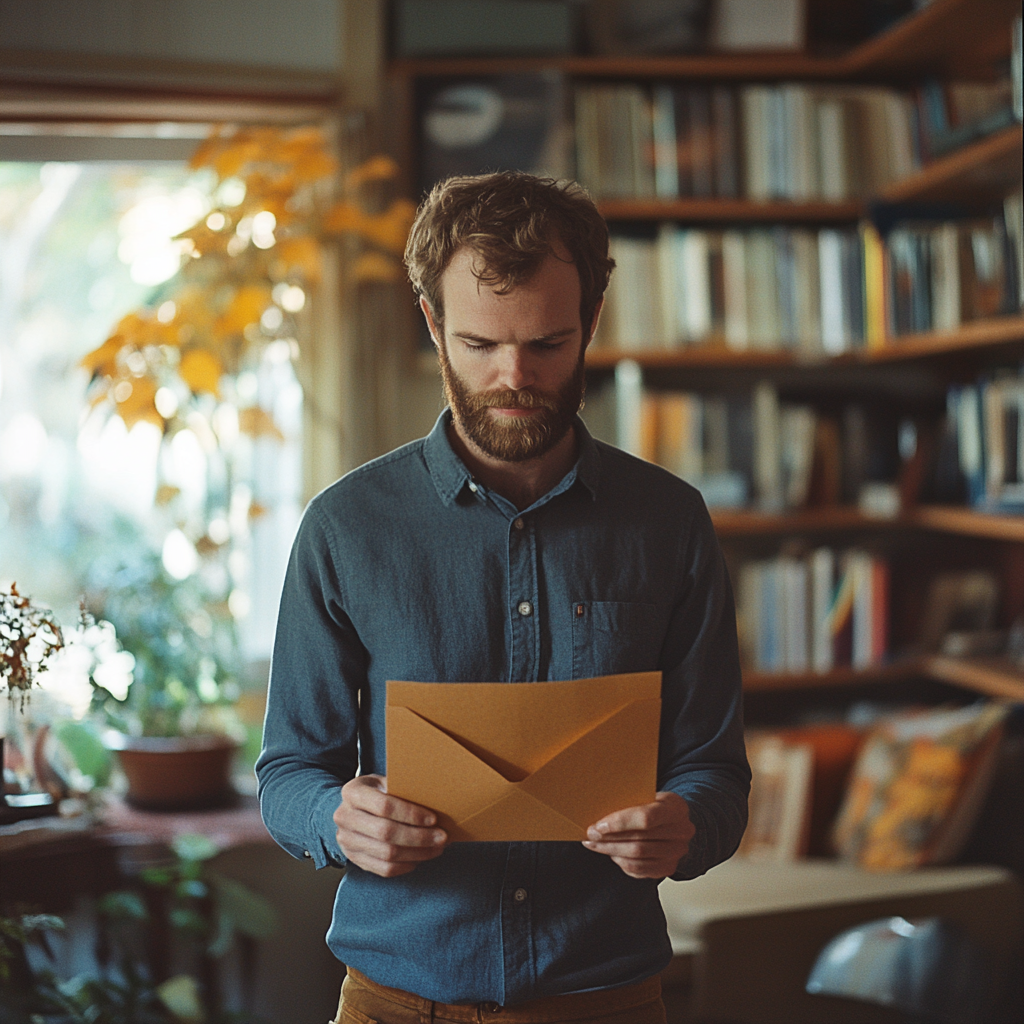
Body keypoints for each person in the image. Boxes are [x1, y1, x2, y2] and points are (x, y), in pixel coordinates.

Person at [256, 171, 749, 1024]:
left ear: (591, 322)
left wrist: (686, 824)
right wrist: (338, 819)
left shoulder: (670, 522)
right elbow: (287, 772)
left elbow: (716, 772)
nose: (513, 377)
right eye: (480, 345)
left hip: (607, 998)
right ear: (433, 323)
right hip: (397, 999)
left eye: (548, 344)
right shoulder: (346, 527)